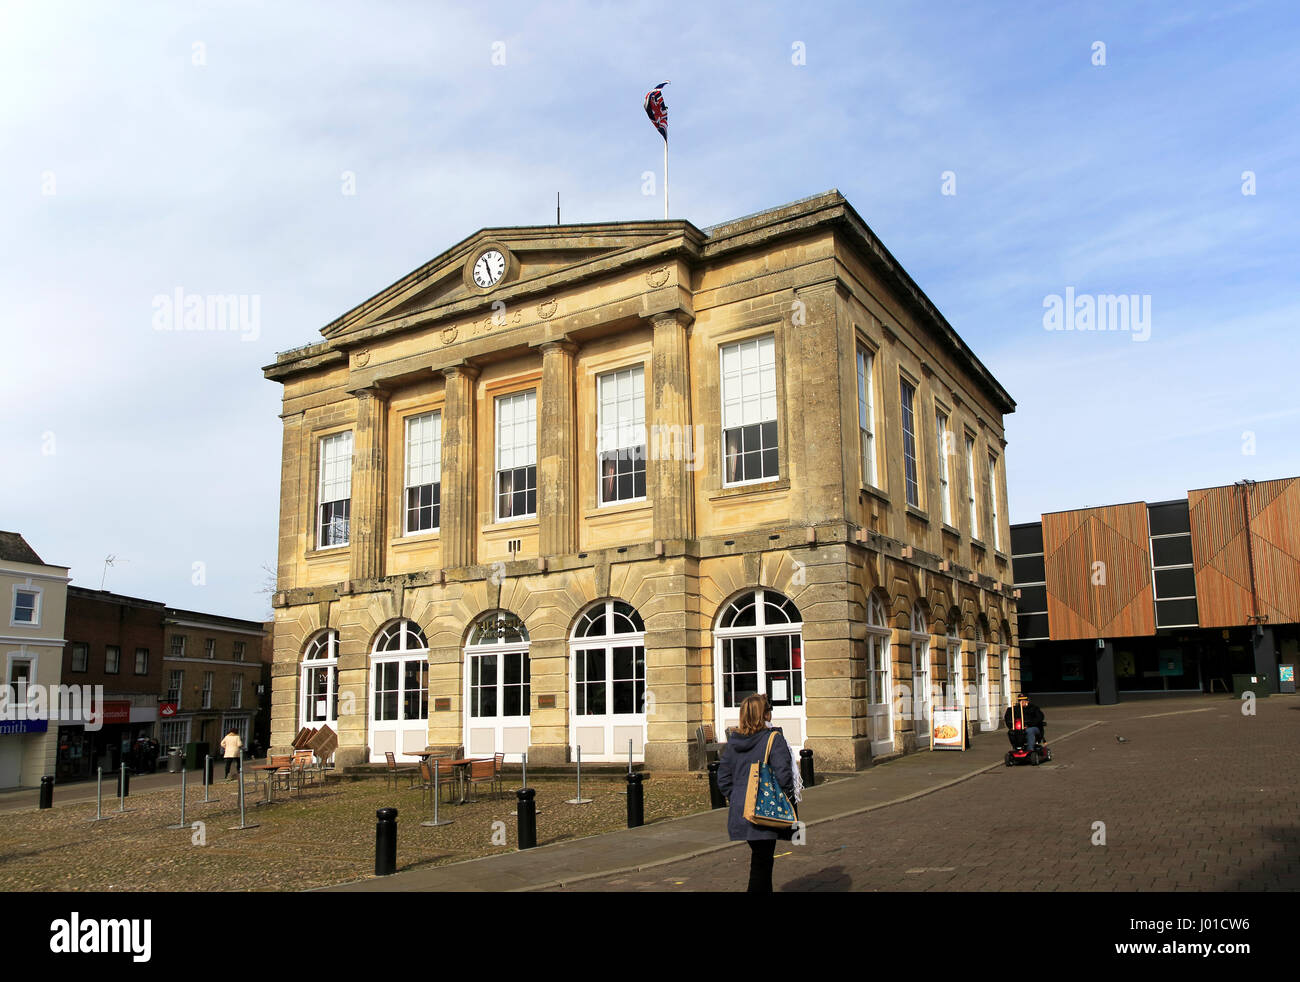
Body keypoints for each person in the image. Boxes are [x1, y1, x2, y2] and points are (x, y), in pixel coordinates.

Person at [716, 693, 796, 893]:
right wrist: (784, 799)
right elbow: (784, 776)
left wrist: (737, 797)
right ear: (765, 715)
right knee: (762, 864)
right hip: (765, 809)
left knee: (761, 860)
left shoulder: (734, 743)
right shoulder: (773, 739)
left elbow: (723, 778)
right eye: (768, 710)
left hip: (742, 811)